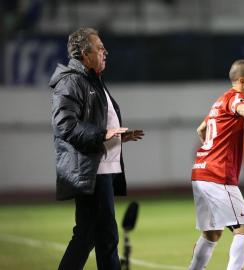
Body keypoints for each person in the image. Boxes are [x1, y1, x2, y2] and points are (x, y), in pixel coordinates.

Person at [50, 27, 144, 270]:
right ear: (84, 53)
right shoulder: (71, 80)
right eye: (100, 48)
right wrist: (103, 134)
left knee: (105, 238)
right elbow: (65, 125)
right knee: (89, 236)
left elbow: (98, 123)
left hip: (102, 170)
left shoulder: (92, 80)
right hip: (90, 171)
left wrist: (118, 136)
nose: (106, 52)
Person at [189, 59, 244, 270]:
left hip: (200, 173)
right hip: (218, 175)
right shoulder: (236, 98)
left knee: (212, 234)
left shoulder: (219, 101)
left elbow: (200, 129)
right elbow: (241, 108)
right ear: (242, 80)